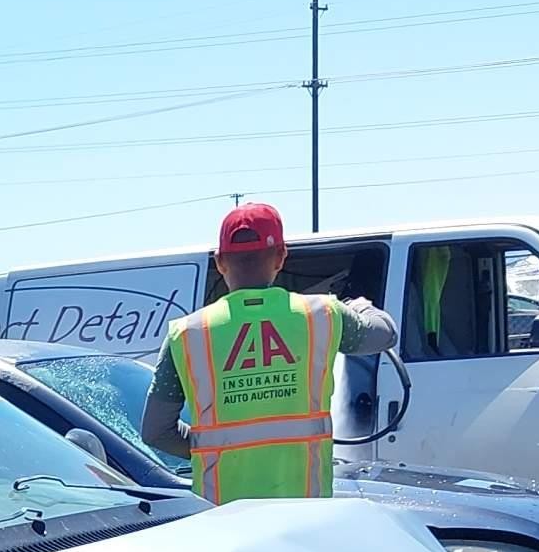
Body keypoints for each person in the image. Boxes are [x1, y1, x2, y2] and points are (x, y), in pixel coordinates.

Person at [140, 202, 397, 504]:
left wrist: (212, 446)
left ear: (220, 262)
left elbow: (156, 432)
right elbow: (385, 333)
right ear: (281, 256)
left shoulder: (186, 334)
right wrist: (359, 305)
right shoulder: (324, 315)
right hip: (304, 515)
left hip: (221, 520)